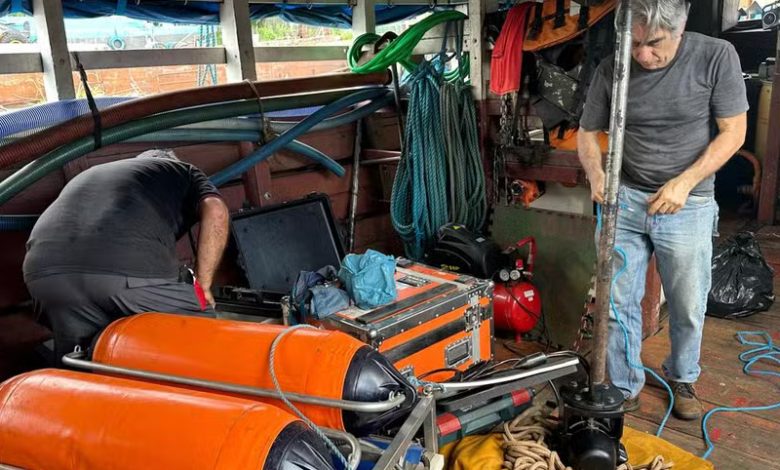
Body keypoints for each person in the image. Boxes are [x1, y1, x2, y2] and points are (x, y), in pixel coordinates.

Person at [577, 0, 748, 420]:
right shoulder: (613, 67)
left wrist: (684, 183)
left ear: (680, 27)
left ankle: (683, 375)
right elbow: (586, 132)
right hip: (626, 199)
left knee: (687, 302)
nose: (642, 54)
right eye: (634, 43)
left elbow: (734, 131)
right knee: (616, 300)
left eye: (653, 43)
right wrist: (597, 176)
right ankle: (623, 384)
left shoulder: (715, 56)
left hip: (688, 201)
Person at [23, 149, 230, 365]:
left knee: (82, 363)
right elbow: (216, 212)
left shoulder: (93, 173)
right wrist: (203, 286)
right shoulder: (182, 170)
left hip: (44, 276)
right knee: (202, 333)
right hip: (123, 269)